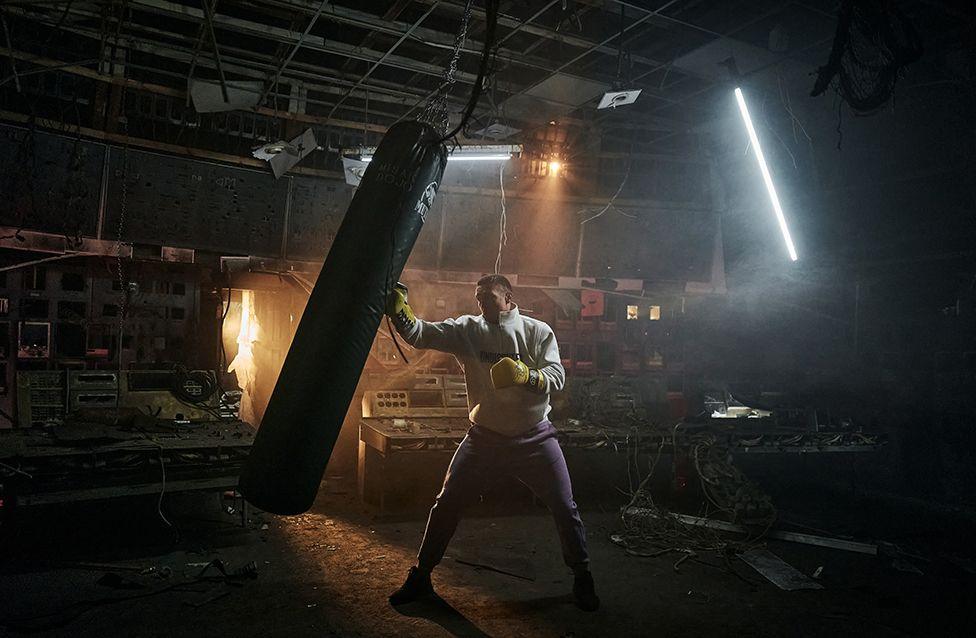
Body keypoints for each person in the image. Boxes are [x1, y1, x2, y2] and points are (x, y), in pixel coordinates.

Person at [384, 274, 599, 612]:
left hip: (534, 437)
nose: (481, 302)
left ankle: (582, 576)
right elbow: (420, 334)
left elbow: (557, 378)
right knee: (446, 504)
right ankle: (421, 576)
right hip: (484, 438)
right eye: (478, 297)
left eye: (488, 296)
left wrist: (526, 376)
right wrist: (401, 313)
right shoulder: (468, 329)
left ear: (508, 296)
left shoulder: (537, 331)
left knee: (564, 506)